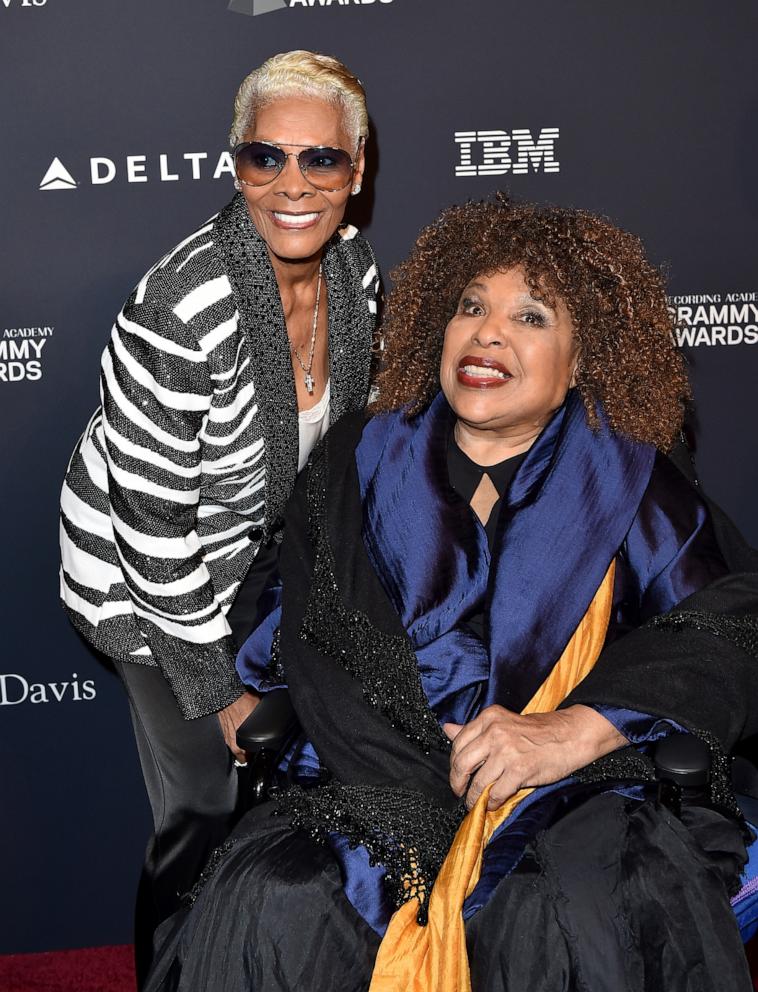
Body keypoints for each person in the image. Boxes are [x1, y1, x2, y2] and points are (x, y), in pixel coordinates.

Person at [145, 197, 758, 992]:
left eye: (531, 317)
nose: (488, 333)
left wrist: (580, 727)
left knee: (569, 907)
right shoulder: (358, 458)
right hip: (369, 782)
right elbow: (300, 637)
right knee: (277, 897)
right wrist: (427, 772)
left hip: (568, 790)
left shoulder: (627, 476)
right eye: (471, 306)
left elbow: (729, 619)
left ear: (581, 361)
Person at [58, 50, 380, 983]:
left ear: (356, 172)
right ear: (234, 165)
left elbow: (348, 453)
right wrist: (222, 693)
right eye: (263, 158)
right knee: (202, 801)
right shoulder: (182, 306)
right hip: (143, 579)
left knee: (294, 800)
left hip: (262, 568)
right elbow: (151, 527)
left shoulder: (356, 275)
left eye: (321, 160)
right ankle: (167, 971)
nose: (292, 184)